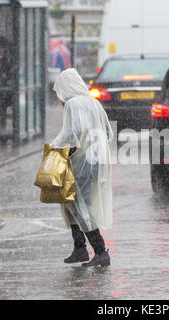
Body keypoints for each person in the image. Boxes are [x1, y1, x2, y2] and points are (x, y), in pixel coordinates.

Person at [50, 68, 113, 267]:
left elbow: (74, 131)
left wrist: (63, 150)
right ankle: (79, 249)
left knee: (80, 205)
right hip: (97, 159)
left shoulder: (72, 104)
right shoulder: (94, 103)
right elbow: (109, 133)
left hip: (80, 160)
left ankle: (100, 250)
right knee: (70, 204)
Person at [0, 43, 12, 134]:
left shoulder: (6, 60)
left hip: (4, 90)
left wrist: (6, 76)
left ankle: (2, 130)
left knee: (3, 110)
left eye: (0, 48)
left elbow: (10, 72)